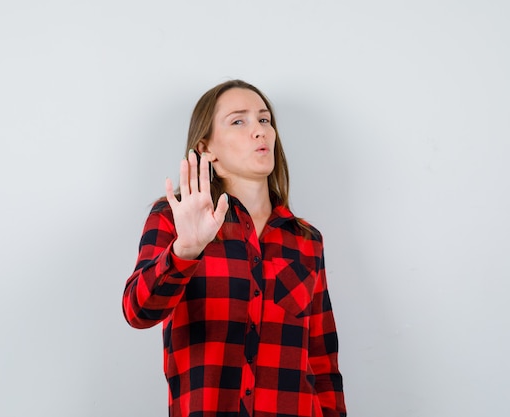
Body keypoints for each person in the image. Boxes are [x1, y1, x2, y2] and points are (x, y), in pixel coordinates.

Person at [122, 79, 347, 417]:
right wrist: (185, 250)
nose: (259, 131)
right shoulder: (174, 217)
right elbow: (138, 311)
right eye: (238, 121)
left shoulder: (305, 240)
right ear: (206, 147)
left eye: (264, 120)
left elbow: (323, 358)